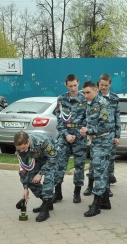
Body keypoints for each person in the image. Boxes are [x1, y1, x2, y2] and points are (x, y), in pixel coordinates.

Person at [80, 81, 114, 217]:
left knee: (99, 172)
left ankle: (96, 205)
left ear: (95, 90)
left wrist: (89, 130)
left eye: (88, 92)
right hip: (96, 141)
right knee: (101, 171)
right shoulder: (91, 103)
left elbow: (106, 126)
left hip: (103, 142)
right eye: (84, 93)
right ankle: (105, 201)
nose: (85, 95)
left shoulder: (102, 104)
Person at [83, 74, 120, 198]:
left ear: (110, 85)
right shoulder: (91, 100)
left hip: (106, 137)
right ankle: (92, 186)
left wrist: (117, 135)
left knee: (107, 163)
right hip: (95, 137)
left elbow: (116, 119)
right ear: (97, 86)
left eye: (106, 85)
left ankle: (105, 191)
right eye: (101, 85)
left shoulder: (112, 99)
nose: (103, 87)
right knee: (95, 163)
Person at [53, 74, 87, 204]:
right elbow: (59, 120)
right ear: (66, 85)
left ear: (78, 83)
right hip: (64, 137)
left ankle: (77, 193)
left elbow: (87, 119)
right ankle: (58, 193)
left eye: (75, 85)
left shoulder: (84, 99)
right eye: (70, 86)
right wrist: (66, 135)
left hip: (79, 137)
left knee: (79, 165)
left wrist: (77, 134)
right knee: (59, 163)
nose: (73, 88)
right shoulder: (61, 99)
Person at [14, 131, 60, 222]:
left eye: (24, 147)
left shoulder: (42, 141)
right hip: (38, 159)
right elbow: (24, 168)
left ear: (28, 141)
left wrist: (40, 174)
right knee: (31, 180)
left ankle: (45, 210)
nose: (22, 151)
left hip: (52, 158)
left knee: (48, 180)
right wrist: (25, 188)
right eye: (20, 149)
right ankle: (47, 203)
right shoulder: (20, 148)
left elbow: (53, 158)